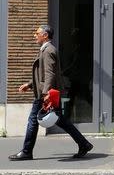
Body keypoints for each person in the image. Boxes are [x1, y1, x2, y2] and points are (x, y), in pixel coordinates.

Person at [9, 25, 93, 160]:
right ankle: (84, 144)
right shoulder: (45, 49)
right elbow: (42, 73)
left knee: (33, 120)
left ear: (45, 35)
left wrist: (45, 93)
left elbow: (50, 73)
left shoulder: (48, 50)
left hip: (45, 93)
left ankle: (26, 151)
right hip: (47, 91)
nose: (34, 36)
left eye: (37, 33)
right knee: (60, 120)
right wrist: (30, 85)